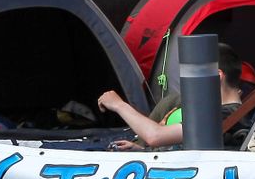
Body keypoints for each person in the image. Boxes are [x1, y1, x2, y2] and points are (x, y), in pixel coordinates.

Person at [97, 44, 244, 149]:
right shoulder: (229, 112)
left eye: (193, 74)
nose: (187, 83)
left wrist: (119, 105)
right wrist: (140, 150)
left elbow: (155, 136)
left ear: (216, 76)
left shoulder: (224, 115)